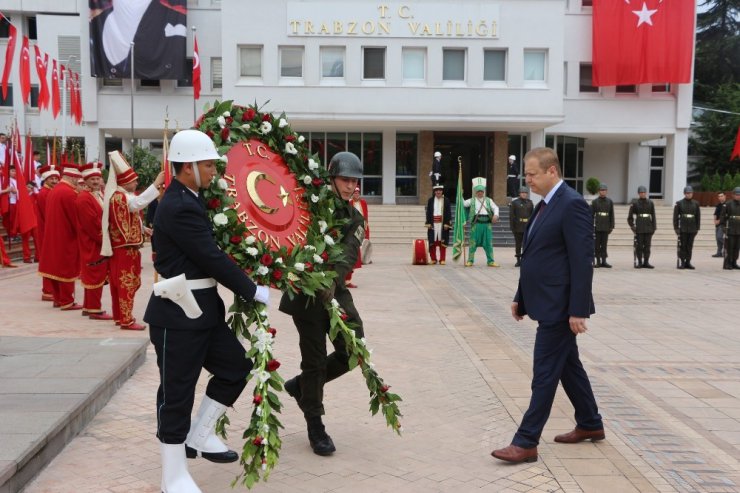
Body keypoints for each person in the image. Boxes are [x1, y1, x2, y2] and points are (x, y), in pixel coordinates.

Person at [143, 129, 269, 492]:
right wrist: (251, 289)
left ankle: (199, 435)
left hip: (203, 311)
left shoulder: (189, 196)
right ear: (187, 167)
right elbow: (209, 257)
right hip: (177, 316)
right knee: (176, 393)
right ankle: (173, 475)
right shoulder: (179, 205)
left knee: (236, 368)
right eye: (208, 163)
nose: (214, 169)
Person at [492, 147, 603, 464]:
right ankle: (590, 423)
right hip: (545, 302)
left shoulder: (572, 205)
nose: (526, 179)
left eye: (531, 174)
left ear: (552, 171)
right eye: (525, 174)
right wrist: (520, 297)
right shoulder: (545, 205)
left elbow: (582, 261)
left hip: (560, 307)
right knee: (568, 368)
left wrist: (578, 309)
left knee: (544, 373)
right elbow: (534, 256)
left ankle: (526, 442)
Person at [281, 151, 366, 457]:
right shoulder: (309, 207)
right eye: (345, 180)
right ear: (332, 178)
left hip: (334, 290)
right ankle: (315, 424)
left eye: (354, 181)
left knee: (355, 349)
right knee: (315, 359)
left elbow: (348, 251)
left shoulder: (354, 217)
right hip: (304, 292)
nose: (350, 186)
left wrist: (331, 279)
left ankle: (301, 386)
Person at [101, 153, 164, 330]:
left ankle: (120, 316)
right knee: (125, 284)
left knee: (118, 284)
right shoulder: (119, 197)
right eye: (134, 181)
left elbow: (131, 213)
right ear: (124, 182)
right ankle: (126, 319)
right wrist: (155, 184)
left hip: (121, 248)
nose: (136, 184)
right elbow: (137, 204)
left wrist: (143, 229)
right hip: (124, 249)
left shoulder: (120, 196)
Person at [38, 163, 83, 309]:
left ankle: (58, 299)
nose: (78, 182)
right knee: (66, 268)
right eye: (77, 179)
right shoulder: (69, 193)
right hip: (66, 236)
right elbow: (76, 219)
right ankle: (66, 300)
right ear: (71, 177)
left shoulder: (55, 190)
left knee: (56, 269)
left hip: (54, 234)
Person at [75, 162, 113, 321]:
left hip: (98, 240)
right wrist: (107, 239)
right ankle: (93, 309)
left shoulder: (100, 194)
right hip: (92, 242)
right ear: (85, 181)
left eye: (98, 178)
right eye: (92, 179)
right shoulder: (83, 199)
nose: (96, 181)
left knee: (96, 273)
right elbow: (92, 224)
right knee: (94, 274)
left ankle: (88, 306)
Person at [35, 165, 60, 297]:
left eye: (56, 178)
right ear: (45, 180)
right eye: (52, 179)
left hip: (49, 230)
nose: (55, 181)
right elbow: (49, 215)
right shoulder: (44, 194)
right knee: (48, 260)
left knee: (52, 260)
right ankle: (48, 290)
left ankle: (52, 289)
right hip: (46, 231)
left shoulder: (50, 192)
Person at [463, 177, 500, 267]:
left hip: (487, 224)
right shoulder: (471, 200)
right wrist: (460, 194)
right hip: (476, 224)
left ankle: (490, 261)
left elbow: (496, 207)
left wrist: (496, 215)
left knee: (488, 243)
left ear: (483, 192)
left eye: (481, 191)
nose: (480, 193)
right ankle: (470, 260)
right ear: (475, 192)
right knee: (473, 243)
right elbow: (463, 203)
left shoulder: (488, 200)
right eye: (478, 191)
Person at [627, 186, 656, 269]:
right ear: (639, 193)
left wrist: (654, 227)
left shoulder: (650, 203)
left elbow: (653, 216)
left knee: (647, 246)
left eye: (644, 192)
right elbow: (630, 217)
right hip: (639, 227)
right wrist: (633, 227)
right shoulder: (635, 203)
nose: (642, 194)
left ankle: (646, 262)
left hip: (648, 227)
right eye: (641, 192)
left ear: (646, 193)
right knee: (639, 246)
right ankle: (639, 262)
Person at [345, 186, 369, 288]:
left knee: (355, 255)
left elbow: (366, 215)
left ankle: (348, 280)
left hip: (360, 229)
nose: (356, 195)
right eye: (355, 193)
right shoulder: (349, 203)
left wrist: (365, 228)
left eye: (358, 193)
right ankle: (346, 280)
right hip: (351, 231)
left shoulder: (363, 203)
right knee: (349, 255)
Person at [673, 185, 701, 270]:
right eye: (687, 193)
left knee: (690, 246)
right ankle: (682, 262)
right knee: (683, 246)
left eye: (690, 193)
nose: (689, 194)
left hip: (692, 228)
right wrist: (676, 228)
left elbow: (698, 217)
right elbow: (675, 217)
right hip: (683, 228)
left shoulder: (696, 204)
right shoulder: (679, 203)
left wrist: (697, 228)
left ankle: (688, 262)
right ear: (684, 194)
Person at [425, 184, 452, 265]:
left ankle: (442, 259)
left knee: (442, 243)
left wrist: (447, 223)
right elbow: (428, 212)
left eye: (440, 190)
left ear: (442, 191)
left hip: (442, 224)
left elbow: (448, 212)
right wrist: (428, 222)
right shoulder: (430, 200)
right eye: (436, 190)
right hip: (433, 224)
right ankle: (433, 259)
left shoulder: (446, 200)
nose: (438, 192)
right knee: (432, 242)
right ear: (434, 192)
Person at [591, 183, 615, 268]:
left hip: (606, 225)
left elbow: (611, 214)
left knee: (604, 244)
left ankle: (604, 261)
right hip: (597, 226)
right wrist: (591, 226)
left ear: (606, 191)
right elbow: (591, 215)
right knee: (597, 245)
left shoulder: (610, 201)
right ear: (599, 191)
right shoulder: (595, 202)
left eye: (604, 190)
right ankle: (598, 261)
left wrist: (612, 226)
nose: (603, 192)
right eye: (601, 190)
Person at [509, 185, 533, 267]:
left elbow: (532, 215)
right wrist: (512, 227)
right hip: (518, 226)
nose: (524, 194)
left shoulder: (530, 202)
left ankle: (525, 260)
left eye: (525, 193)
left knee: (526, 244)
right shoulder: (515, 203)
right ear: (519, 193)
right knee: (518, 244)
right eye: (522, 193)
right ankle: (518, 261)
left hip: (527, 226)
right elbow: (512, 216)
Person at [721, 187, 740, 270]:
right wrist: (723, 227)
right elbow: (722, 217)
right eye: (737, 194)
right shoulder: (728, 204)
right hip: (730, 229)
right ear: (733, 195)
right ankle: (727, 263)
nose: (738, 196)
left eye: (739, 195)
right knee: (730, 247)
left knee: (737, 247)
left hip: (739, 229)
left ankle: (734, 262)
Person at [713, 192, 727, 258]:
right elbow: (715, 214)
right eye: (719, 196)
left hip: (723, 224)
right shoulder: (718, 205)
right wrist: (715, 220)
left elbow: (725, 215)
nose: (720, 197)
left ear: (725, 196)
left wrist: (719, 221)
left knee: (719, 237)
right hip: (717, 224)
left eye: (722, 196)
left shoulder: (727, 205)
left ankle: (728, 246)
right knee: (717, 239)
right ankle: (719, 253)